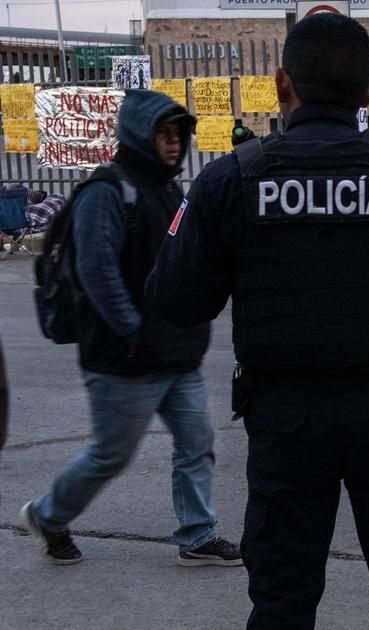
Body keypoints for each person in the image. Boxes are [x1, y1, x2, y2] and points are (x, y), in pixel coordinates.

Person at [144, 14, 369, 629]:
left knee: (281, 602)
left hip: (285, 418)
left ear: (282, 82)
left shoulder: (232, 178)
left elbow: (174, 299)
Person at [19, 89, 240, 568]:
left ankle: (198, 534)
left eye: (177, 135)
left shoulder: (167, 189)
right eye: (162, 134)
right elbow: (97, 271)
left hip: (177, 348)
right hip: (125, 355)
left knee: (196, 444)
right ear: (139, 134)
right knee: (110, 455)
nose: (171, 144)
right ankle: (48, 515)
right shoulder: (107, 190)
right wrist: (132, 331)